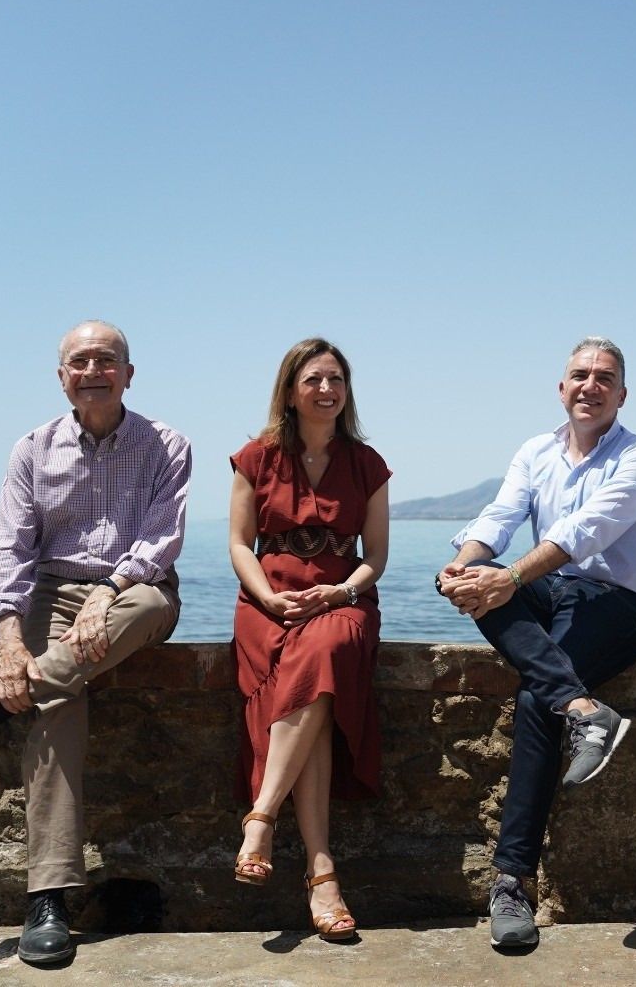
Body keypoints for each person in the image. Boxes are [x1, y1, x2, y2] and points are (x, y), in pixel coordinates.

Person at [0, 320, 190, 966]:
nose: (93, 369)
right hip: (51, 594)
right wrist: (9, 642)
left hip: (135, 593)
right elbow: (9, 547)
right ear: (62, 376)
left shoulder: (166, 444)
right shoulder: (32, 450)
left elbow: (160, 539)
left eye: (106, 359)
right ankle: (48, 898)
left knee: (144, 602)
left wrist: (106, 593)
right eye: (80, 360)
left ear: (129, 373)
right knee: (55, 708)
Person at [437, 337, 636, 949]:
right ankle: (586, 711)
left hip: (615, 605)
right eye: (579, 375)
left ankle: (509, 883)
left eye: (604, 378)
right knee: (476, 587)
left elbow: (583, 532)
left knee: (537, 699)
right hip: (550, 590)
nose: (590, 385)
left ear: (621, 394)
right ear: (561, 388)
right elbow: (499, 518)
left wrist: (505, 577)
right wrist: (462, 568)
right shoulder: (536, 451)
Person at [228, 337, 390, 942]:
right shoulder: (255, 457)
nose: (327, 390)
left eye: (336, 381)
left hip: (341, 601)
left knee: (325, 652)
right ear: (290, 391)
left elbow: (375, 557)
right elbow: (241, 545)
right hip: (267, 603)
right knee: (312, 699)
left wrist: (341, 593)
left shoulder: (367, 464)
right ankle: (322, 874)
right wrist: (267, 597)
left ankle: (261, 818)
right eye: (314, 380)